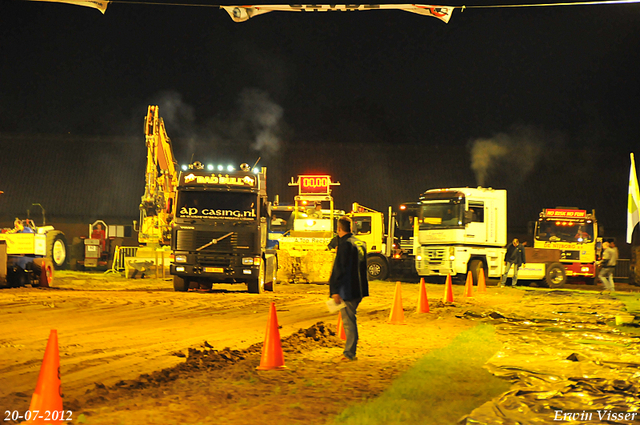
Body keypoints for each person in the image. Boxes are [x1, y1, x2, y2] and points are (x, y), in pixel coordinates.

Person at [329, 216, 369, 361]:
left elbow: (339, 269)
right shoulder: (360, 243)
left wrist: (334, 290)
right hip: (359, 288)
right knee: (351, 319)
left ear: (339, 229)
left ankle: (349, 353)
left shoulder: (345, 245)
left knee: (349, 321)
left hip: (347, 289)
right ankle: (350, 351)